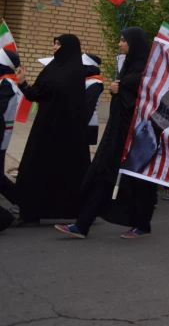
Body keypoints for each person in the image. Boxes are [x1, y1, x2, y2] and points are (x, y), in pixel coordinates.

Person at [56, 28, 153, 239]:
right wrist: (115, 90)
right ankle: (83, 225)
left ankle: (142, 224)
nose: (120, 44)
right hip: (117, 134)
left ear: (134, 44)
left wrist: (122, 87)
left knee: (138, 181)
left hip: (136, 137)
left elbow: (146, 103)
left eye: (123, 40)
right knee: (104, 175)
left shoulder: (147, 71)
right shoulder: (130, 67)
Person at [13, 34, 90, 225]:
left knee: (66, 172)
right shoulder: (50, 70)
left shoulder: (78, 72)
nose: (55, 47)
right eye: (54, 44)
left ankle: (74, 212)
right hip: (45, 131)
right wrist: (23, 83)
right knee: (36, 168)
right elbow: (35, 95)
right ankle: (30, 213)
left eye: (58, 44)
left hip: (69, 134)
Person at [0, 49, 22, 230]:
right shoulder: (5, 81)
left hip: (1, 135)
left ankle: (24, 202)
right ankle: (24, 202)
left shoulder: (7, 83)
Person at [81, 53, 104, 147]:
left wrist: (79, 125)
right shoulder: (86, 80)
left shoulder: (95, 83)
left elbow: (88, 106)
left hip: (87, 123)